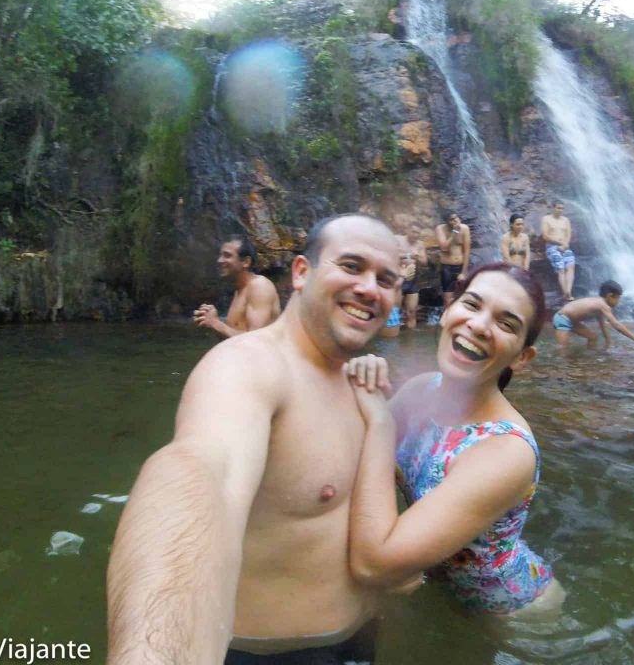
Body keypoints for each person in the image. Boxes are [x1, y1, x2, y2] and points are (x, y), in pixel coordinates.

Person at [107, 214, 410, 665]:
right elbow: (200, 471)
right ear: (302, 273)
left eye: (386, 279)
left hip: (360, 637)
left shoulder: (358, 382)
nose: (370, 289)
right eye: (351, 266)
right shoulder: (246, 367)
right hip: (276, 654)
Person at [342, 263, 564, 617]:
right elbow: (355, 463)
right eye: (472, 305)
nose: (477, 325)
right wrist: (354, 375)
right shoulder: (421, 388)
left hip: (511, 614)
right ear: (448, 311)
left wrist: (380, 420)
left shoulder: (506, 451)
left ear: (523, 357)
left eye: (506, 324)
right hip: (436, 580)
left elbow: (373, 566)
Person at [192, 236, 281, 337]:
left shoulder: (259, 286)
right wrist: (210, 321)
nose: (219, 260)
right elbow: (234, 342)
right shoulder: (240, 290)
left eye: (227, 255)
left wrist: (216, 324)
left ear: (246, 262)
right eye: (220, 255)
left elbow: (256, 340)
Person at [552, 280, 634, 355]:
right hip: (562, 318)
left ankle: (590, 356)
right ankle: (560, 371)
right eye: (618, 298)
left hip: (572, 321)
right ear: (610, 296)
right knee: (563, 349)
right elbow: (616, 325)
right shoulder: (602, 305)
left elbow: (602, 324)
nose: (618, 302)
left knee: (593, 337)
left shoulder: (599, 305)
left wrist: (608, 341)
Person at [435, 210, 471, 307]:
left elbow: (466, 251)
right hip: (446, 268)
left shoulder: (465, 229)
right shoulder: (440, 229)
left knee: (462, 298)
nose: (456, 221)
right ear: (446, 221)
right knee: (448, 300)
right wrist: (454, 232)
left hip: (460, 267)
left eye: (456, 218)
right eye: (452, 220)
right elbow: (444, 247)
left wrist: (463, 272)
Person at [397, 223, 427, 331]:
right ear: (407, 230)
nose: (416, 235)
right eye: (413, 232)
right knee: (395, 312)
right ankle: (392, 340)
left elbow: (424, 262)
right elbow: (390, 254)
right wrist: (409, 255)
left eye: (418, 233)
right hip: (398, 279)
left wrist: (418, 256)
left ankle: (411, 342)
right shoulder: (397, 240)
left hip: (412, 280)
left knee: (412, 312)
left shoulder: (420, 244)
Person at [542, 201, 575, 301]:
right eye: (558, 208)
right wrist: (559, 244)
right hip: (552, 247)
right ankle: (565, 293)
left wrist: (565, 244)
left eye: (562, 208)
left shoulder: (566, 220)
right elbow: (545, 236)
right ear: (553, 208)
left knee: (570, 265)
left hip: (565, 246)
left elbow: (568, 234)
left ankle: (569, 291)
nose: (560, 210)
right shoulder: (546, 219)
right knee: (561, 268)